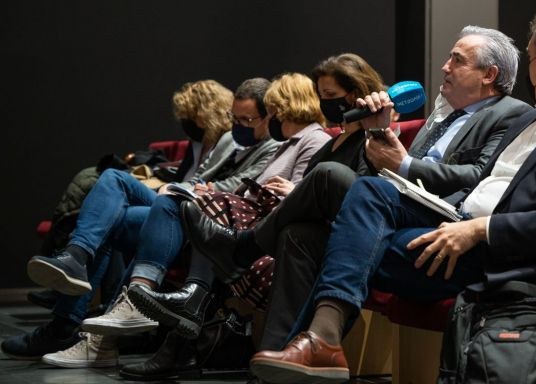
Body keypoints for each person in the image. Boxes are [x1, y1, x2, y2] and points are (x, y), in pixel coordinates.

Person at [249, 3, 536, 383]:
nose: (528, 70)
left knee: (319, 239)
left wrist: (478, 230)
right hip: (452, 219)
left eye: (529, 58)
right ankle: (318, 344)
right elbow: (480, 183)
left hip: (490, 252)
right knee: (363, 196)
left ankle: (314, 344)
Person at [184, 26, 532, 355]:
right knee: (298, 234)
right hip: (394, 203)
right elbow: (382, 173)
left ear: (489, 75)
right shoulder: (440, 119)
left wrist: (405, 165)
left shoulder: (512, 113)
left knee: (328, 175)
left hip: (443, 218)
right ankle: (277, 357)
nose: (445, 66)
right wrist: (377, 132)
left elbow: (478, 175)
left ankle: (245, 248)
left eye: (457, 59)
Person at [115, 55, 392, 380]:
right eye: (321, 96)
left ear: (358, 93)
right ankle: (268, 364)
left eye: (331, 96)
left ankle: (232, 259)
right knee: (290, 234)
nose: (324, 104)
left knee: (214, 215)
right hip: (298, 231)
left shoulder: (374, 137)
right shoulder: (332, 142)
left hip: (348, 232)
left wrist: (377, 129)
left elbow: (370, 193)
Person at [36, 73, 329, 369]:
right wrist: (196, 187)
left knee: (144, 211)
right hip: (207, 206)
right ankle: (79, 264)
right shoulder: (277, 142)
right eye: (234, 118)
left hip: (224, 217)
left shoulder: (293, 142)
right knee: (115, 182)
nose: (238, 125)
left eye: (251, 118)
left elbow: (273, 193)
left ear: (277, 113)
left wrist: (203, 190)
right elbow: (213, 177)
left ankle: (92, 327)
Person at [29, 79, 235, 314]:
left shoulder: (230, 143)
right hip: (170, 196)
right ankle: (76, 259)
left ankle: (66, 318)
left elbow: (218, 187)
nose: (186, 122)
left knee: (110, 206)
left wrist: (179, 187)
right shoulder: (198, 143)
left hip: (186, 208)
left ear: (206, 112)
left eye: (191, 115)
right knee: (111, 180)